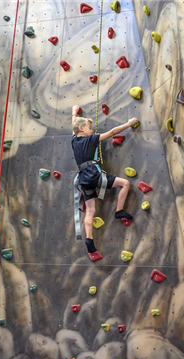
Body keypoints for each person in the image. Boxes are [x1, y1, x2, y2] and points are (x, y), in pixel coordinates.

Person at [71, 105, 138, 261]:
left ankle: (89, 241)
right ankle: (119, 210)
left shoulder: (74, 140)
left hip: (83, 179)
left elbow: (72, 127)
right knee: (125, 184)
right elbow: (112, 132)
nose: (92, 130)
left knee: (90, 211)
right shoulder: (91, 139)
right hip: (94, 176)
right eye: (89, 128)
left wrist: (74, 112)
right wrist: (129, 123)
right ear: (81, 129)